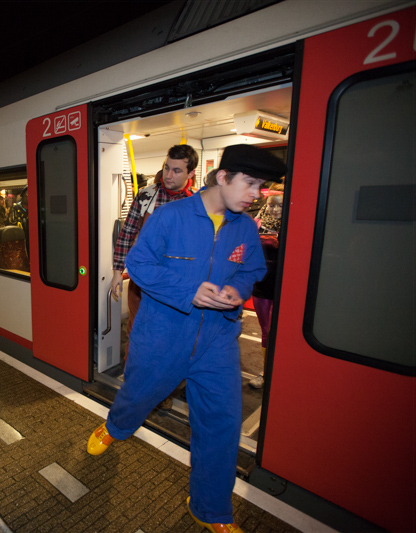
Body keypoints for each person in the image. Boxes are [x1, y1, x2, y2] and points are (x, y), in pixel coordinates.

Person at [88, 144, 287, 533]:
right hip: (162, 336)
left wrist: (237, 291)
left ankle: (209, 508)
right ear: (223, 177)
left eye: (260, 186)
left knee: (221, 424)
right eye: (250, 183)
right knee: (138, 394)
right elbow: (138, 264)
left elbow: (251, 270)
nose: (255, 194)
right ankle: (116, 426)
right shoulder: (170, 217)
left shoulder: (246, 227)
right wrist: (189, 291)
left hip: (217, 340)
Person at [111, 144, 198, 410]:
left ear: (190, 173)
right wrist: (117, 272)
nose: (168, 175)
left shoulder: (196, 202)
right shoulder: (146, 195)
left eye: (176, 170)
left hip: (176, 285)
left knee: (171, 340)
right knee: (137, 333)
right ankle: (133, 387)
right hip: (143, 281)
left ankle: (163, 391)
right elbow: (127, 234)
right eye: (166, 168)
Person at [249, 187, 284, 389]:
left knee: (282, 330)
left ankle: (281, 370)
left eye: (279, 205)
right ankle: (266, 371)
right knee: (266, 330)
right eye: (271, 205)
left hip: (284, 286)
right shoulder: (257, 223)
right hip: (261, 285)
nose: (275, 210)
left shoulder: (293, 223)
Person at [8, 186, 29, 251]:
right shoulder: (16, 207)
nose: (29, 197)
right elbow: (11, 222)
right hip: (19, 236)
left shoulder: (34, 207)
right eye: (27, 194)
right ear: (23, 195)